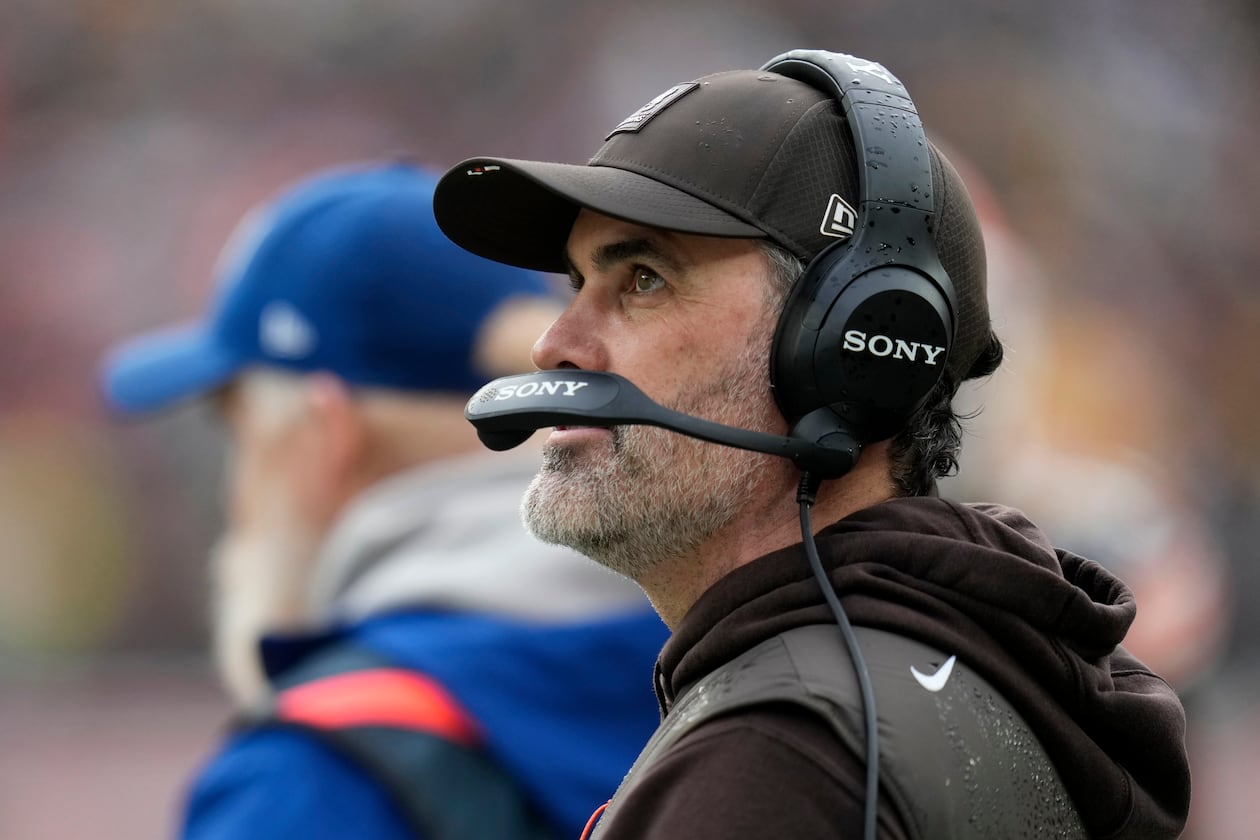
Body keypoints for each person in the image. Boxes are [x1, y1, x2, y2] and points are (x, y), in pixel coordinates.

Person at [430, 50, 1191, 839]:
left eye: (644, 279)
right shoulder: (972, 674)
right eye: (575, 286)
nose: (555, 345)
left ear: (845, 351)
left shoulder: (774, 760)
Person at [98, 161, 669, 840]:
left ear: (326, 434)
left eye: (239, 431)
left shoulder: (310, 779)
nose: (237, 487)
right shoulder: (734, 649)